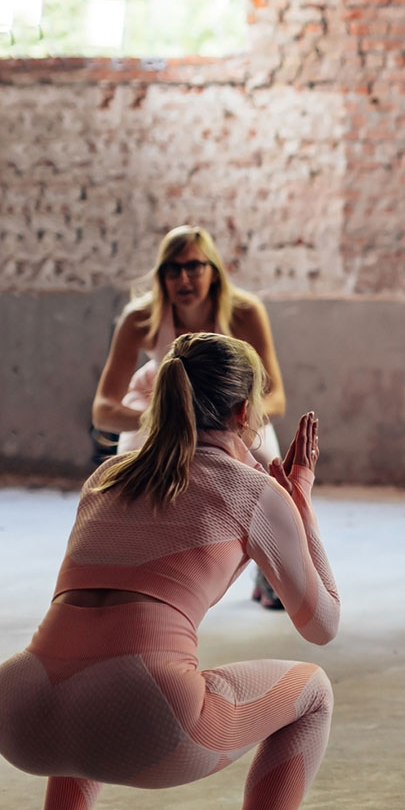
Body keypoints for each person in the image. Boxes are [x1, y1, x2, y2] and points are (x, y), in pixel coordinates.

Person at [0, 334, 344, 810]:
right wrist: (299, 503)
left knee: (97, 670)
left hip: (19, 703)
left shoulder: (108, 474)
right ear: (242, 414)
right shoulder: (252, 491)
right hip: (147, 711)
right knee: (313, 692)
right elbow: (323, 624)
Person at [91, 225, 290, 610]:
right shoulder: (140, 318)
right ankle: (128, 572)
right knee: (129, 472)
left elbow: (276, 398)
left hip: (225, 409)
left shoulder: (244, 312)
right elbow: (103, 409)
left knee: (274, 468)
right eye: (173, 269)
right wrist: (163, 418)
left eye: (195, 267)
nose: (184, 278)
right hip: (159, 408)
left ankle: (272, 573)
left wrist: (231, 419)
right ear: (161, 275)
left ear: (213, 270)